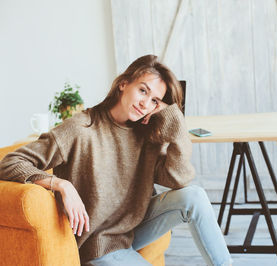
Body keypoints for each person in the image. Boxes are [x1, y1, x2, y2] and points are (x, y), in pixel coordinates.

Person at [0, 55, 232, 266]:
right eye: (142, 90)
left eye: (154, 101)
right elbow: (9, 163)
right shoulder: (80, 129)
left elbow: (178, 180)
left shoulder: (148, 135)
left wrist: (177, 128)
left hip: (133, 228)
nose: (145, 104)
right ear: (123, 84)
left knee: (195, 196)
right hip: (98, 243)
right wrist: (61, 185)